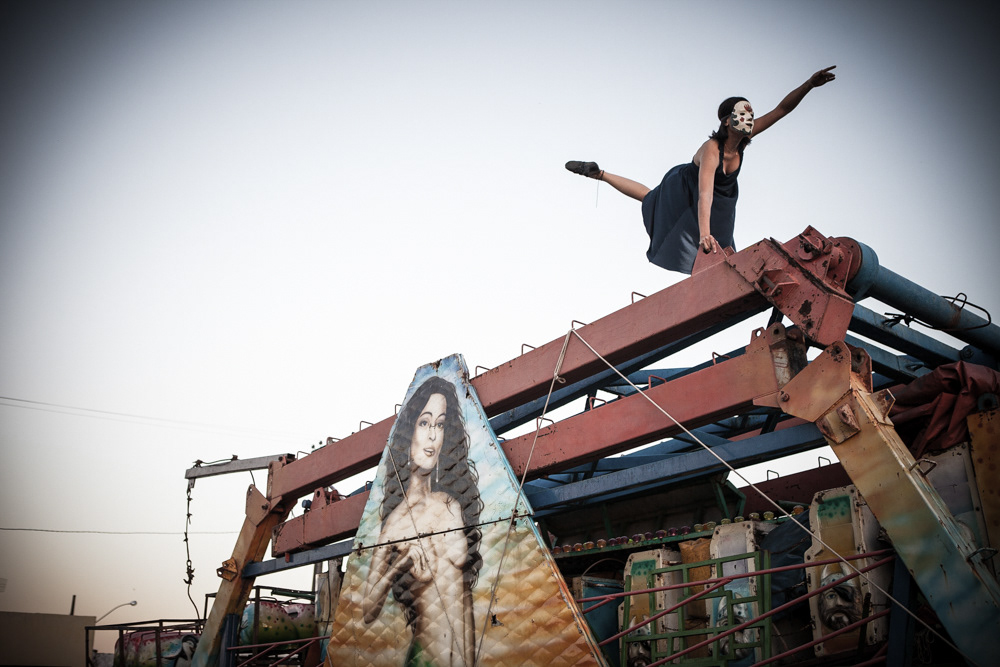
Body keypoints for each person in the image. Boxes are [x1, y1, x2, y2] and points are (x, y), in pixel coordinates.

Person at [566, 66, 836, 274]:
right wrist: (704, 235)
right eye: (743, 114)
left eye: (752, 115)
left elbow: (782, 109)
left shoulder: (744, 139)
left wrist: (809, 85)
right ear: (727, 121)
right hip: (687, 188)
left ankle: (600, 174)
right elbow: (704, 193)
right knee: (651, 199)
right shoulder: (712, 149)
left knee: (717, 240)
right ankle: (599, 174)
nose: (750, 120)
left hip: (721, 198)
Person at [362, 376, 484, 667]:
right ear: (409, 433)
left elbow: (464, 598)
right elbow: (367, 610)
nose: (432, 435)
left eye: (440, 425)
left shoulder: (453, 504)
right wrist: (400, 563)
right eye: (424, 422)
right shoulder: (396, 523)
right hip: (425, 659)